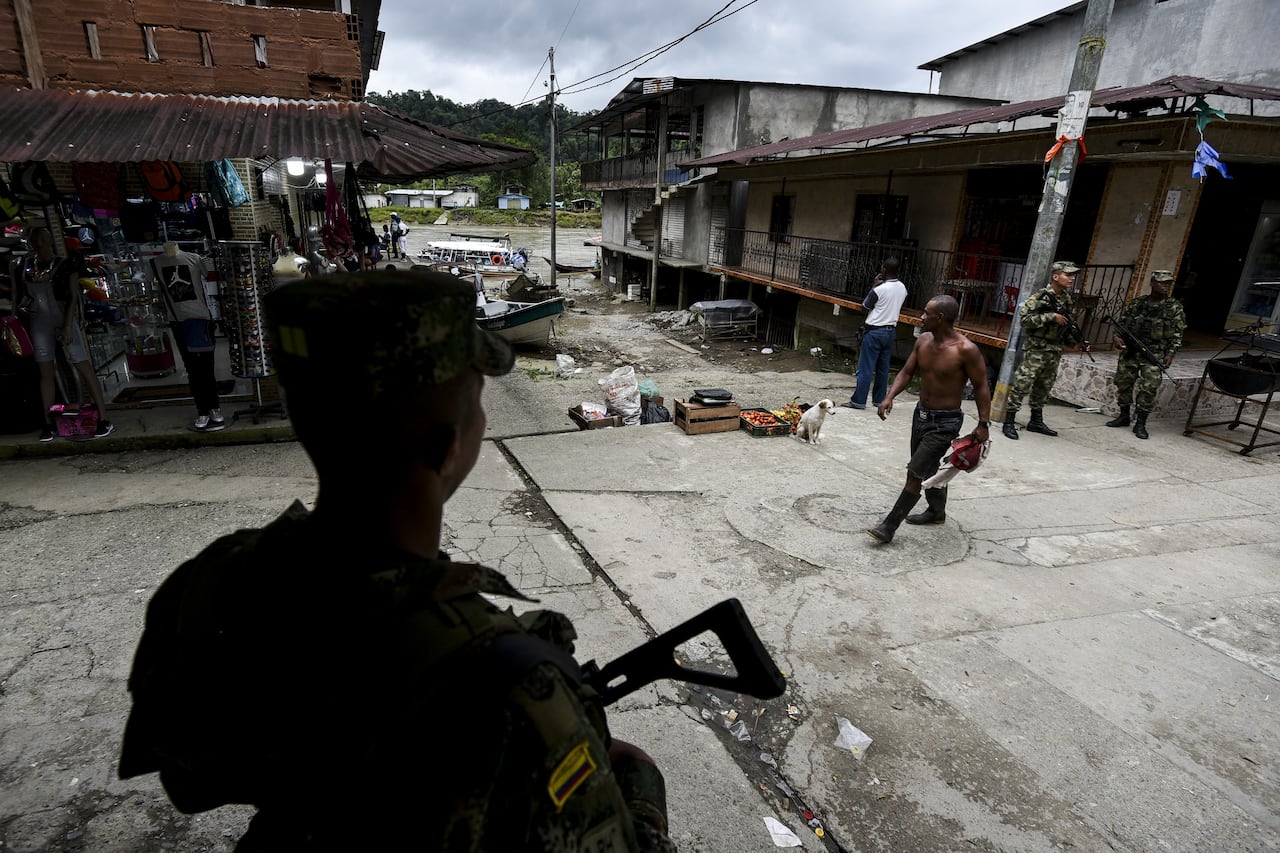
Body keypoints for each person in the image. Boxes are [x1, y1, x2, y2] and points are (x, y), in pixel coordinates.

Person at [118, 270, 675, 852]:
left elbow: (192, 781)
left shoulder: (216, 579)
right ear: (447, 448)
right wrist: (635, 779)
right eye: (478, 407)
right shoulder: (510, 684)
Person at [868, 295, 991, 544]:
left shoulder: (965, 350)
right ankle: (937, 512)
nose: (921, 317)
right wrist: (889, 396)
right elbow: (907, 371)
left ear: (941, 318)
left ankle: (888, 527)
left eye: (926, 313)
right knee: (929, 468)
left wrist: (983, 423)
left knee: (915, 473)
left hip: (946, 422)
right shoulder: (923, 341)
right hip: (921, 416)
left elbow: (981, 387)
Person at [19, 227, 114, 441]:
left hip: (63, 318)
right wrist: (24, 309)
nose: (39, 245)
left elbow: (73, 296)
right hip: (39, 321)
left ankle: (104, 418)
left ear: (50, 241)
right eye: (36, 241)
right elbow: (23, 297)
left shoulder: (65, 264)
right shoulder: (27, 266)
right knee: (46, 372)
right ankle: (48, 422)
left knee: (83, 366)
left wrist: (69, 325)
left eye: (42, 240)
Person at [1002, 260, 1088, 440]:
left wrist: (1076, 342)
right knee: (1022, 383)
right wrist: (1051, 317)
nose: (1072, 278)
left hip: (1054, 349)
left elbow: (1065, 326)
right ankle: (1009, 421)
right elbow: (1024, 320)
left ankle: (1036, 420)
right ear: (1056, 277)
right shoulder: (1041, 296)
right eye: (1068, 275)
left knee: (1044, 386)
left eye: (1073, 275)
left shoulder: (1066, 299)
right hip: (1036, 348)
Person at [148, 242, 223, 432]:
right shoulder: (155, 263)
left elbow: (212, 277)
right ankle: (203, 410)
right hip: (178, 322)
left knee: (207, 367)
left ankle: (213, 407)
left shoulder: (194, 259)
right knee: (192, 369)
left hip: (200, 319)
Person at [1105, 269, 1186, 440]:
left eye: (1168, 283)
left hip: (1153, 353)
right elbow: (1122, 323)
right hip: (1131, 351)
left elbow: (1178, 333)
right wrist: (1116, 337)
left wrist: (1170, 353)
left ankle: (1140, 423)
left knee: (1149, 387)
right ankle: (1124, 415)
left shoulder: (1174, 307)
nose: (1165, 286)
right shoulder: (1137, 303)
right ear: (1152, 283)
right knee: (1124, 382)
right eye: (1162, 282)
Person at [844, 258, 908, 410]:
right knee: (883, 369)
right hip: (890, 330)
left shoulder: (879, 289)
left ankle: (859, 401)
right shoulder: (902, 288)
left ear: (884, 269)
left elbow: (864, 307)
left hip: (874, 331)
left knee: (865, 368)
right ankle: (879, 400)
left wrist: (873, 286)